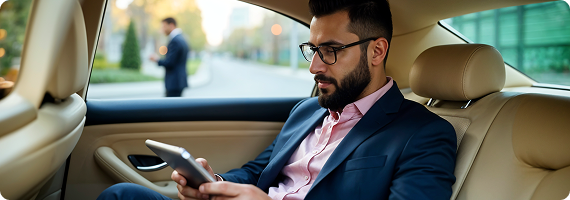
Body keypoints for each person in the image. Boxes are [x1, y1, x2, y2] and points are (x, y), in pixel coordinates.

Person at [98, 0, 457, 199]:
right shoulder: (306, 110)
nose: (314, 66)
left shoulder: (423, 134)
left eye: (330, 50)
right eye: (312, 49)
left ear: (377, 51)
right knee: (122, 195)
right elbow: (259, 172)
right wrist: (213, 181)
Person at [150, 17, 189, 97]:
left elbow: (170, 63)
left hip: (174, 82)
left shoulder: (175, 41)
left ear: (171, 25)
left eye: (164, 26)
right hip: (179, 81)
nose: (162, 29)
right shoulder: (182, 38)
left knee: (171, 108)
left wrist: (156, 60)